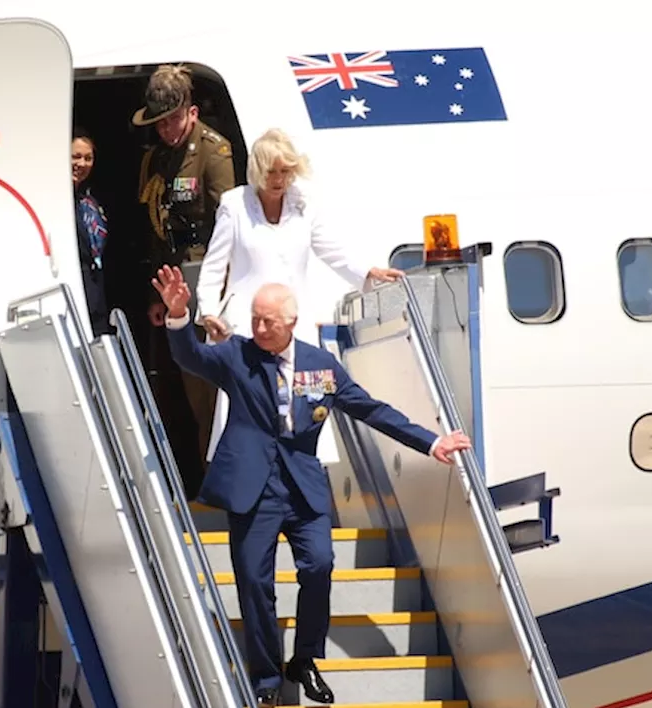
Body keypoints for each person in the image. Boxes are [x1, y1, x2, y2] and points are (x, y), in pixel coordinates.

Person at [151, 266, 472, 706]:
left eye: (269, 321)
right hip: (253, 489)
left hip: (302, 488)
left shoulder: (322, 366)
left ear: (292, 323)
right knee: (253, 580)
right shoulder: (237, 356)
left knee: (319, 565)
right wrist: (178, 315)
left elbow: (372, 410)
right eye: (256, 319)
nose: (260, 328)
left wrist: (431, 441)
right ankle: (266, 676)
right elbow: (190, 357)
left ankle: (304, 659)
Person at [192, 128, 405, 466]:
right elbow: (214, 267)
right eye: (272, 172)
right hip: (250, 324)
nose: (279, 180)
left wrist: (368, 272)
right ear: (258, 171)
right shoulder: (235, 205)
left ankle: (300, 470)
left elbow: (331, 250)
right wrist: (207, 312)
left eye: (286, 171)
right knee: (250, 405)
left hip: (294, 322)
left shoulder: (303, 204)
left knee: (300, 401)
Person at [132, 63, 238, 486]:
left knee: (210, 388)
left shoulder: (213, 151)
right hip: (174, 282)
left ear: (191, 113)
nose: (167, 130)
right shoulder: (156, 159)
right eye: (159, 123)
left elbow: (227, 223)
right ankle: (205, 474)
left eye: (174, 120)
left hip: (207, 278)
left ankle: (220, 478)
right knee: (187, 387)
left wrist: (218, 291)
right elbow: (155, 227)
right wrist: (156, 293)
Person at [71, 129, 111, 337]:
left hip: (95, 289)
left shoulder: (88, 200)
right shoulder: (58, 198)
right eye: (75, 156)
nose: (82, 163)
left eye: (88, 158)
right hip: (76, 288)